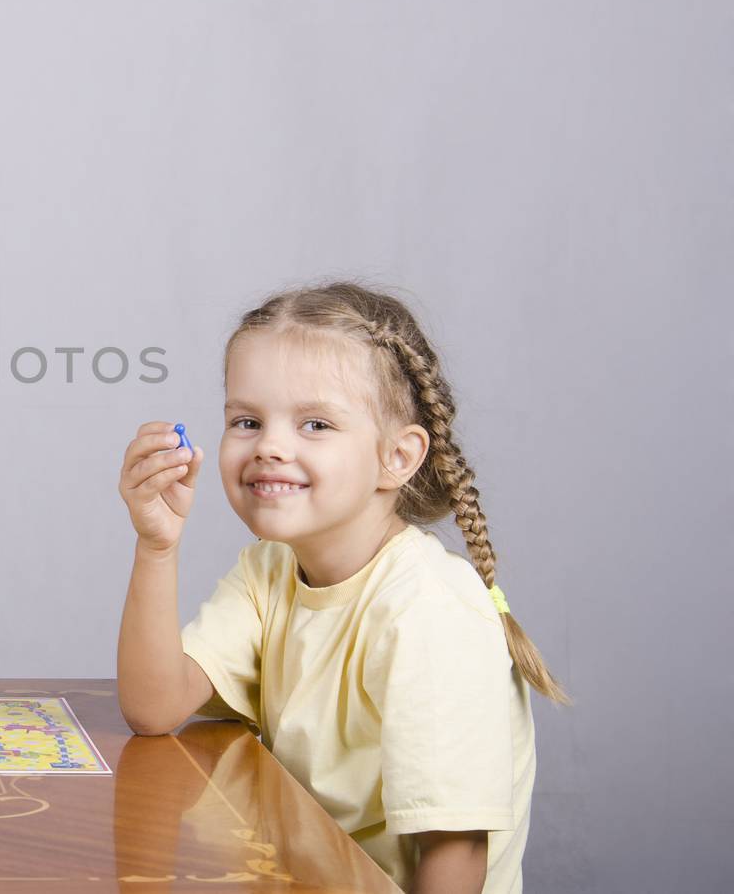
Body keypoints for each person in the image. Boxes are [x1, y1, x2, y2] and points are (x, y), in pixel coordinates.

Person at [116, 282, 566, 894]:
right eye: (247, 420)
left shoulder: (428, 611)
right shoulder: (268, 571)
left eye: (316, 424)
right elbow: (154, 707)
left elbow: (454, 856)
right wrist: (157, 546)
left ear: (397, 457)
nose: (270, 446)